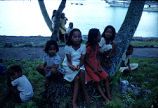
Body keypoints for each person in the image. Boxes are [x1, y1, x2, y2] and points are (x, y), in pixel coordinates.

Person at [62, 28, 89, 108]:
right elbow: (69, 61)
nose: (77, 38)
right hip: (68, 65)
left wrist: (79, 66)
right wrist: (71, 66)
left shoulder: (83, 46)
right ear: (71, 37)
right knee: (77, 78)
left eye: (79, 36)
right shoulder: (68, 47)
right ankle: (74, 102)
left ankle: (84, 91)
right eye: (75, 37)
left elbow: (82, 60)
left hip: (79, 64)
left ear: (81, 37)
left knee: (82, 72)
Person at [85, 28, 111, 102]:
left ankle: (108, 95)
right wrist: (93, 68)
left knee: (106, 77)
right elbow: (86, 60)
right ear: (94, 37)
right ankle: (105, 98)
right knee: (97, 81)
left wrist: (99, 66)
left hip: (96, 64)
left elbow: (96, 56)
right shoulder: (88, 47)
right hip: (89, 66)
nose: (100, 37)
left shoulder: (96, 45)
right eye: (99, 35)